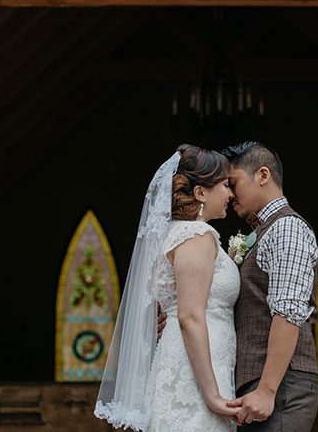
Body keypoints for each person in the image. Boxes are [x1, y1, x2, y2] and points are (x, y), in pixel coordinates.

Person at [95, 144, 241, 431]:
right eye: (225, 185)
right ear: (200, 192)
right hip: (195, 374)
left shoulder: (173, 235)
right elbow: (189, 316)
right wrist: (212, 395)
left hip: (190, 363)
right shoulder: (197, 235)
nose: (230, 194)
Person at [221, 142, 318, 430]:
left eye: (233, 183)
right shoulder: (264, 231)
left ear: (262, 175)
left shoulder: (287, 227)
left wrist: (267, 389)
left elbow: (288, 312)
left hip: (282, 387)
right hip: (263, 385)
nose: (228, 193)